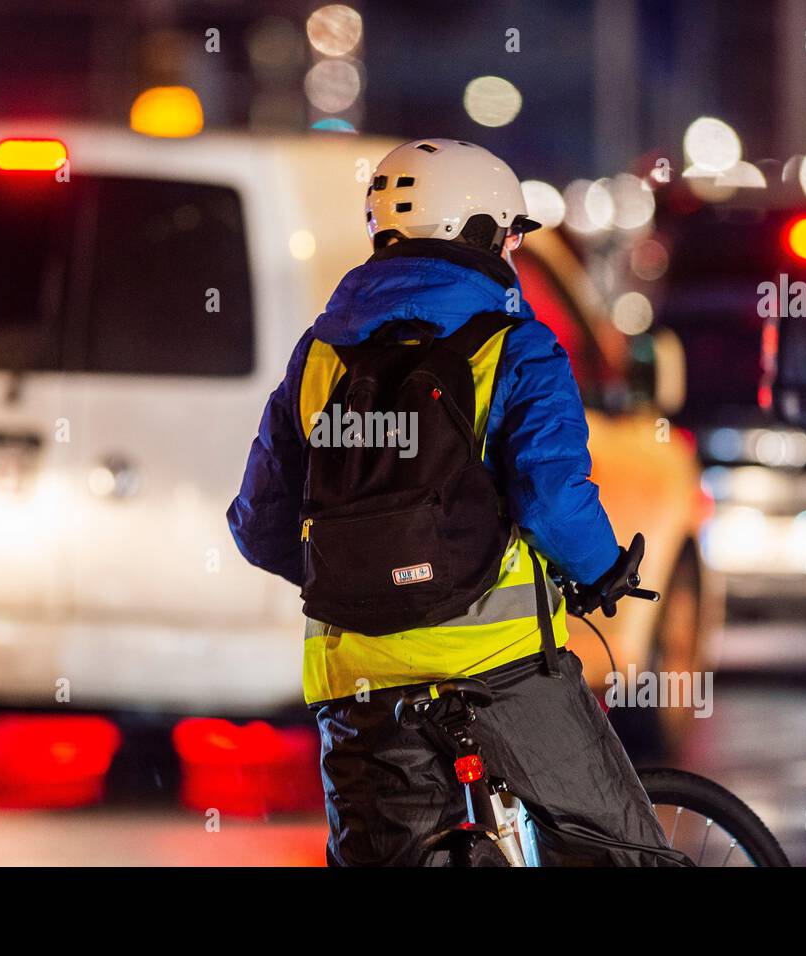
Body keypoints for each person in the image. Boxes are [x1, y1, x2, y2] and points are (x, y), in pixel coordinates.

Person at [228, 138, 687, 866]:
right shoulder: (519, 348)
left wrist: (362, 571)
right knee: (622, 853)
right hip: (500, 668)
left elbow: (259, 527)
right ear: (476, 234)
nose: (511, 248)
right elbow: (552, 502)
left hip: (359, 680)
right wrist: (603, 573)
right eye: (507, 232)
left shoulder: (318, 355)